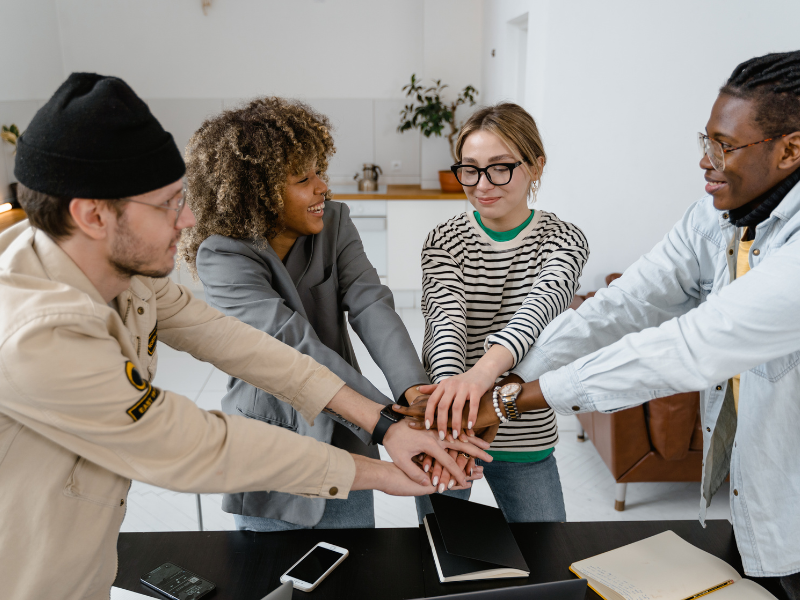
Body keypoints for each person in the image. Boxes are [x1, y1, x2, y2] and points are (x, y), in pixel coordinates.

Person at [0, 73, 491, 600]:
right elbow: (191, 444)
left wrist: (387, 422)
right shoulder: (37, 331)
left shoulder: (129, 276)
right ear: (92, 215)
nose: (188, 218)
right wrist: (377, 470)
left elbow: (249, 346)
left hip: (86, 562)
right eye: (168, 204)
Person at [397, 51, 800, 597]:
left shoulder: (564, 237)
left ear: (790, 149)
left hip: (789, 508)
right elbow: (620, 305)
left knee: (548, 550)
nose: (705, 162)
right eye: (704, 141)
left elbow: (690, 346)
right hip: (760, 514)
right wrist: (472, 396)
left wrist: (505, 397)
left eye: (723, 147)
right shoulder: (717, 212)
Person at [179, 97, 459, 531]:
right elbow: (293, 346)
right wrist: (386, 422)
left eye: (320, 172)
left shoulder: (335, 221)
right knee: (274, 578)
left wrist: (413, 393)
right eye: (303, 179)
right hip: (274, 435)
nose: (322, 187)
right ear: (259, 192)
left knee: (355, 567)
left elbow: (371, 302)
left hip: (349, 424)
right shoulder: (223, 256)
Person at [413, 103, 589, 522]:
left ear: (535, 166)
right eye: (470, 169)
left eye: (500, 167)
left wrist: (480, 376)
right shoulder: (444, 240)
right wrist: (451, 413)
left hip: (523, 427)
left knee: (547, 556)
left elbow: (537, 312)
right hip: (447, 428)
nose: (482, 184)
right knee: (440, 558)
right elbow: (445, 326)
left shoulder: (564, 240)